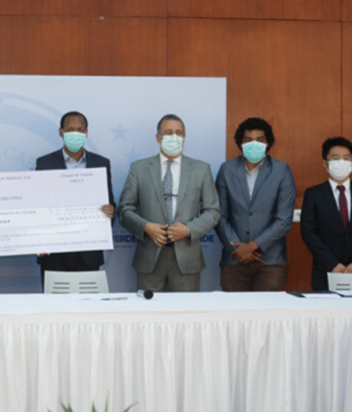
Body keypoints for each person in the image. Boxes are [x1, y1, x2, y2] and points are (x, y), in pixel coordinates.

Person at [117, 114, 220, 292]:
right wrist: (146, 227)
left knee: (186, 309)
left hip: (187, 258)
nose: (174, 137)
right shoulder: (139, 168)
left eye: (179, 133)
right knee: (148, 309)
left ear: (184, 138)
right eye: (168, 132)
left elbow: (213, 211)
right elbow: (124, 210)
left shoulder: (201, 169)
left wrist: (188, 229)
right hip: (149, 257)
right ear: (158, 138)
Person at [35, 111, 116, 285]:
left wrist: (110, 212)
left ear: (86, 133)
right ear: (61, 132)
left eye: (80, 130)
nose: (75, 134)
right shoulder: (44, 163)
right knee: (54, 302)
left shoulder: (101, 163)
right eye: (70, 129)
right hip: (54, 254)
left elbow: (110, 204)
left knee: (88, 302)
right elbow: (38, 206)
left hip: (88, 254)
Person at [215, 118, 295, 291]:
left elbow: (283, 220)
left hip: (270, 261)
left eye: (260, 140)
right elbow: (219, 216)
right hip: (234, 259)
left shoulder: (281, 170)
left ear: (268, 143)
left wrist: (252, 247)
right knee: (234, 309)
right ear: (240, 143)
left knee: (266, 309)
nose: (254, 144)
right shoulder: (227, 170)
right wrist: (238, 249)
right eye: (248, 140)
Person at [300, 137, 352, 291]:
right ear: (325, 163)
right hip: (325, 272)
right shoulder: (313, 194)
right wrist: (332, 263)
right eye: (335, 158)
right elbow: (308, 232)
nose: (341, 162)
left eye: (346, 158)